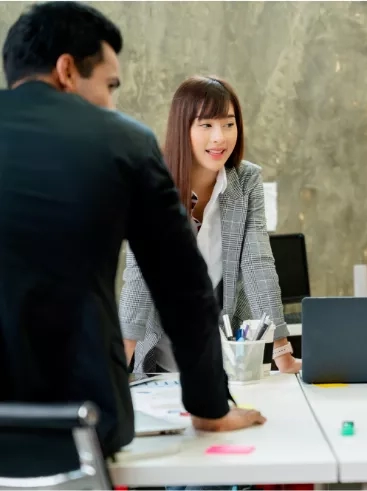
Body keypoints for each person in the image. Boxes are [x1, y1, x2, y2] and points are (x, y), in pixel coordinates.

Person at [0, 1, 263, 477]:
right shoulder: (122, 141)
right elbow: (183, 288)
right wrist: (208, 406)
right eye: (109, 85)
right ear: (66, 70)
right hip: (81, 419)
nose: (111, 103)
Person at [121, 75, 301, 375]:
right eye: (206, 125)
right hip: (162, 360)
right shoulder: (151, 183)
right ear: (183, 128)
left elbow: (258, 264)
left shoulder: (246, 181)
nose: (220, 137)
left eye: (228, 124)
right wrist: (115, 370)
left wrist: (282, 352)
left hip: (230, 357)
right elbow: (139, 279)